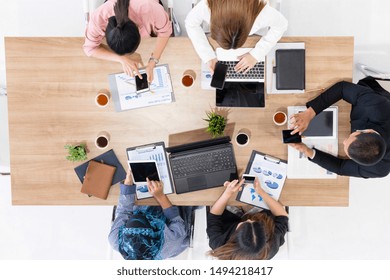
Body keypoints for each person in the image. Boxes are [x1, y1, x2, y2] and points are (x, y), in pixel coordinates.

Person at [289, 76, 390, 178]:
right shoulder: (377, 105)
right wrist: (309, 113)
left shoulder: (380, 169)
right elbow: (342, 88)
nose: (344, 141)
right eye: (350, 137)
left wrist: (306, 151)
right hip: (369, 95)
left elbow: (341, 167)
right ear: (368, 131)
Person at [108, 169, 194, 259]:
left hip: (139, 207)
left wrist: (128, 184)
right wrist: (160, 196)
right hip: (170, 214)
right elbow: (175, 219)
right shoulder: (170, 243)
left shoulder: (115, 239)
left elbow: (124, 211)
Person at [185, 0, 288, 73]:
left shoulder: (261, 13)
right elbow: (190, 23)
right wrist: (207, 56)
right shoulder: (207, 6)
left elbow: (282, 24)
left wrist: (256, 55)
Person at [83, 0, 172, 82]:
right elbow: (89, 49)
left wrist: (153, 61)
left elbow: (165, 32)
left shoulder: (152, 9)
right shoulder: (99, 17)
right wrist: (121, 59)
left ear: (137, 28)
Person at [206, 178, 288, 260]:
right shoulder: (271, 247)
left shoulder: (219, 245)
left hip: (228, 216)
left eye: (245, 224)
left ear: (235, 236)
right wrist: (261, 192)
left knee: (214, 193)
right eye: (254, 223)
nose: (248, 220)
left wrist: (227, 193)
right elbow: (282, 216)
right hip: (259, 213)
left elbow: (214, 216)